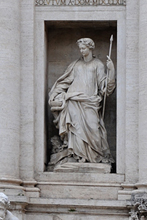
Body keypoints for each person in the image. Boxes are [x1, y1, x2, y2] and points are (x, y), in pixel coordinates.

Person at [48, 38, 115, 166]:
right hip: (73, 100)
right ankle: (76, 155)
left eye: (83, 48)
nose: (81, 50)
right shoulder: (75, 65)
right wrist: (55, 94)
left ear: (90, 48)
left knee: (93, 128)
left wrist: (111, 71)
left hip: (90, 102)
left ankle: (94, 156)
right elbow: (65, 82)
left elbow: (105, 88)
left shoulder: (98, 65)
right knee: (75, 129)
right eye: (80, 48)